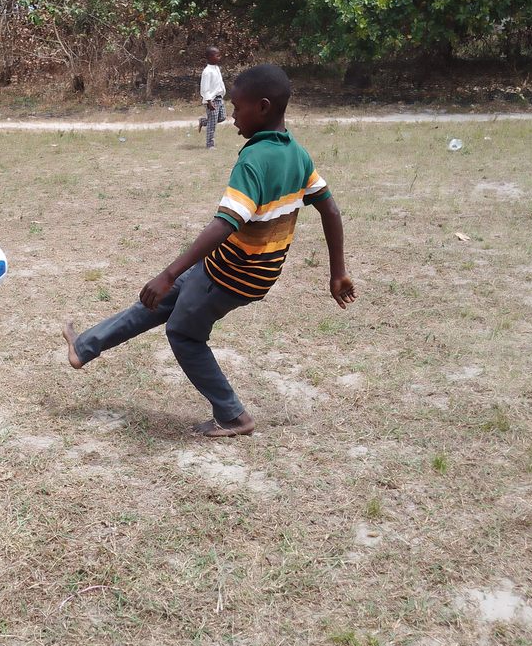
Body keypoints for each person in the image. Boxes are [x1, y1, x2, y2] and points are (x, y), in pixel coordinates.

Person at [64, 64, 356, 437]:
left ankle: (233, 416)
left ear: (263, 107)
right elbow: (330, 209)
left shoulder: (254, 160)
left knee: (183, 333)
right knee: (156, 302)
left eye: (237, 107)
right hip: (237, 268)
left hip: (231, 275)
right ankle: (84, 347)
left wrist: (168, 273)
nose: (232, 117)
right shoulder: (298, 154)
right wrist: (337, 272)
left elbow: (225, 223)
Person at [197, 46, 226, 149]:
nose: (219, 57)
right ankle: (210, 145)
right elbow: (205, 88)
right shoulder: (207, 71)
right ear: (210, 57)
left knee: (222, 117)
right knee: (212, 124)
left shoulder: (216, 68)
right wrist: (209, 102)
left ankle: (203, 121)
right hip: (212, 100)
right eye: (217, 55)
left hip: (219, 98)